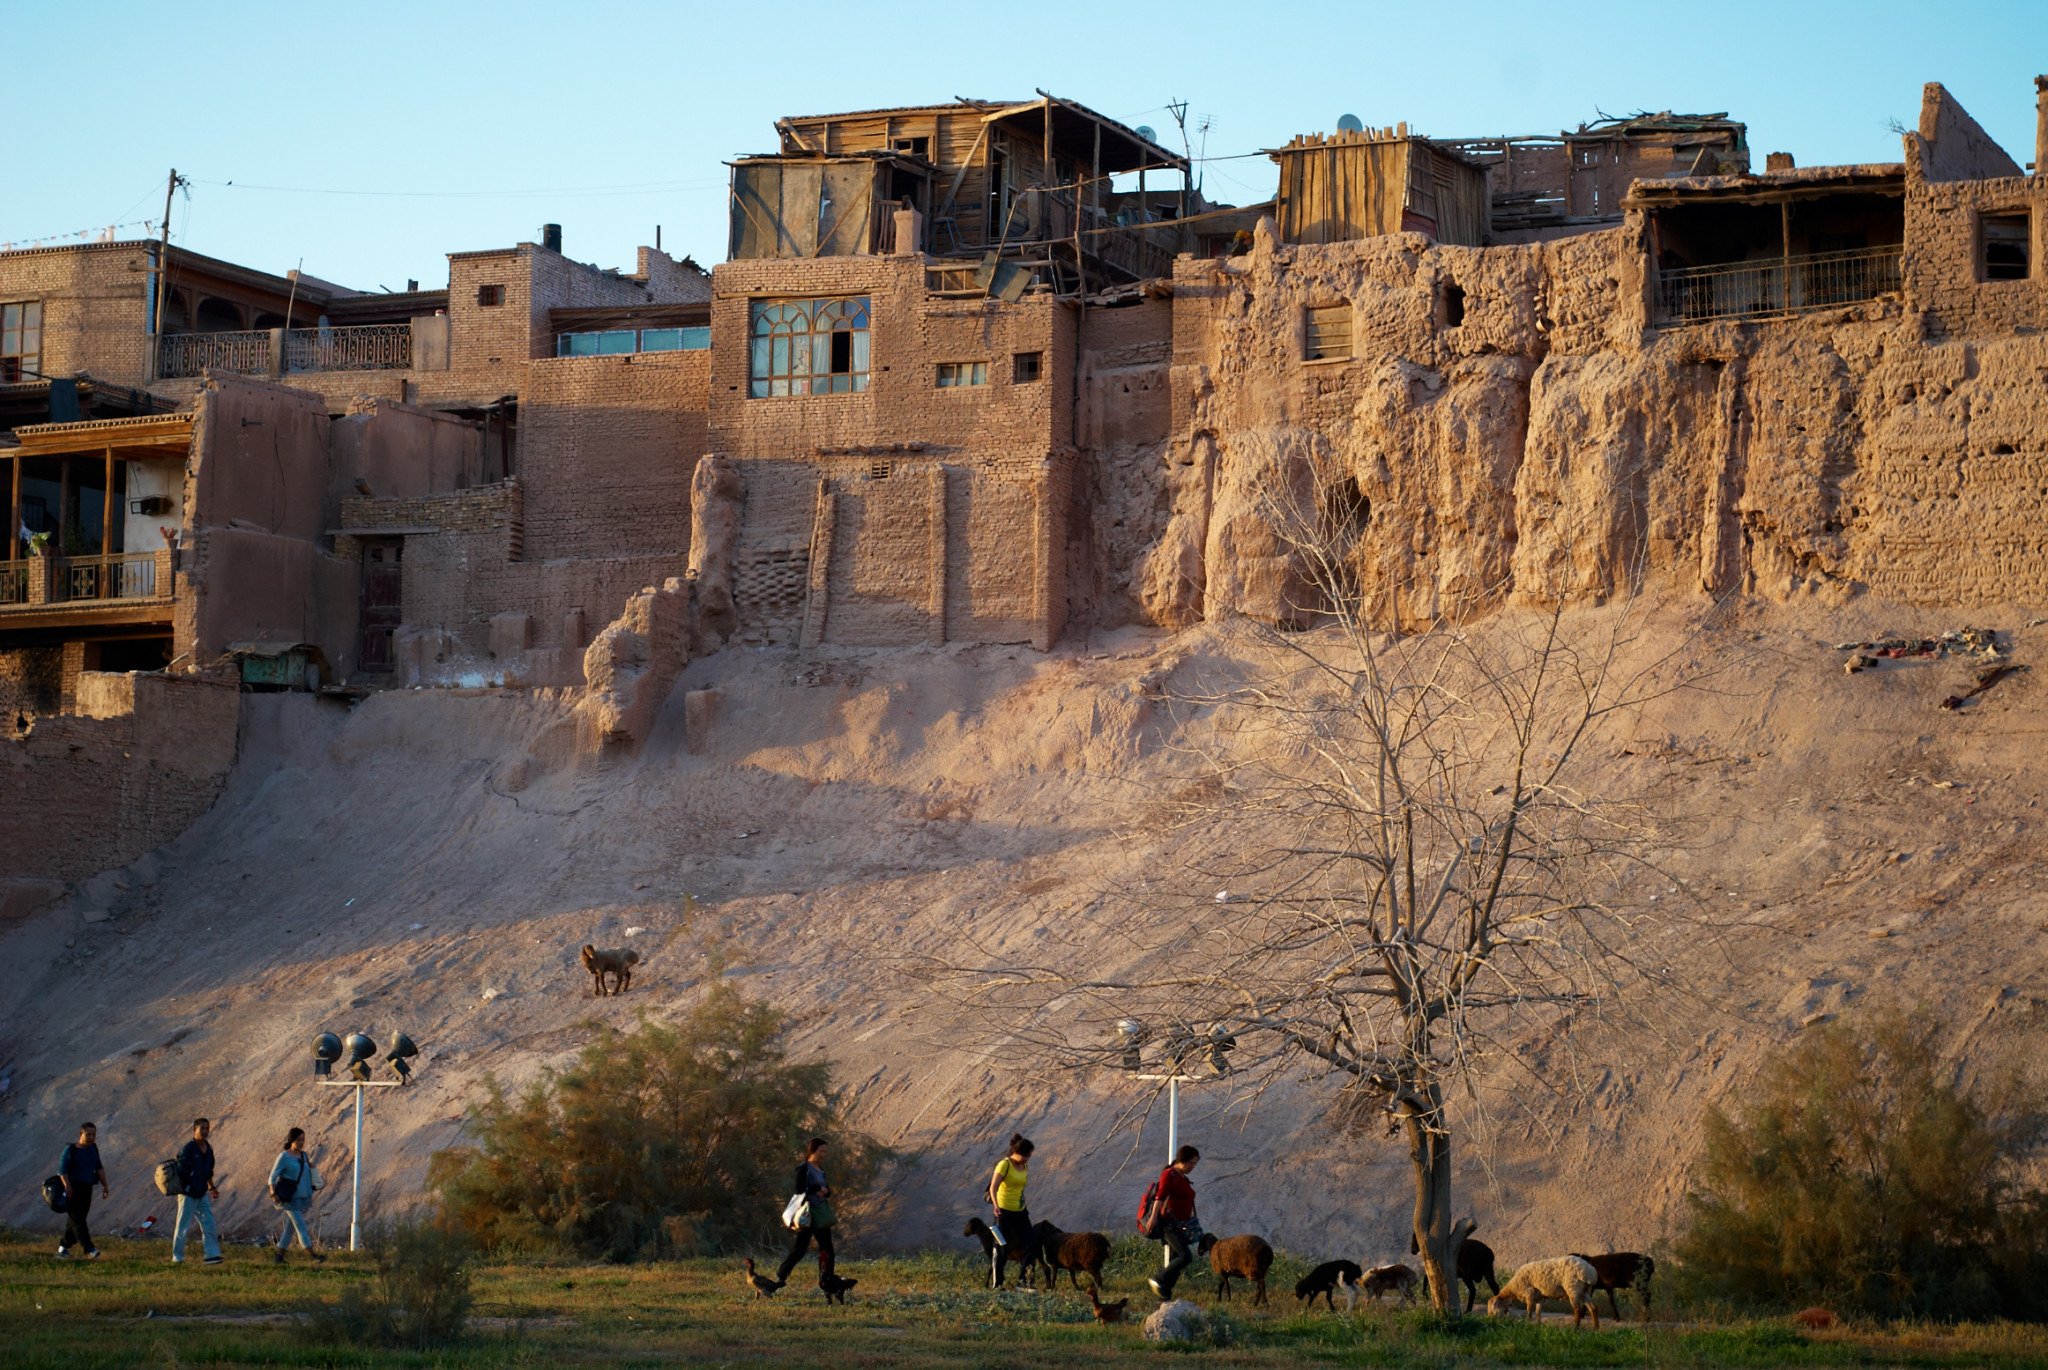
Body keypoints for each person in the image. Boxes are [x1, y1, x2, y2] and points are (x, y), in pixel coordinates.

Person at [774, 1137, 836, 1287]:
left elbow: (827, 1191)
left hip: (820, 1214)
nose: (824, 1155)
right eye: (821, 1151)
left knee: (827, 1249)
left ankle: (826, 1279)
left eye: (825, 1152)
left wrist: (826, 1192)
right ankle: (782, 1273)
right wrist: (816, 1189)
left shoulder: (821, 1171)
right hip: (807, 1215)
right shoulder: (804, 1169)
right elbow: (800, 1189)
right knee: (800, 1248)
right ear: (812, 1151)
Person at [1146, 1144, 1201, 1300]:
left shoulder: (1182, 1177)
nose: (1193, 1166)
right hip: (1170, 1224)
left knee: (1175, 1261)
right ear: (1182, 1159)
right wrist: (1153, 1217)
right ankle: (1158, 1278)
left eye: (1195, 1163)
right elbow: (1160, 1197)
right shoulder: (1169, 1174)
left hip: (1182, 1225)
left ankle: (1164, 1293)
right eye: (1191, 1162)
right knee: (1185, 1257)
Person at [985, 1133, 1038, 1289]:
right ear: (1018, 1153)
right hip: (1003, 1212)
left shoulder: (1024, 1166)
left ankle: (1025, 1282)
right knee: (1001, 1247)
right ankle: (998, 1284)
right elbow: (993, 1187)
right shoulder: (1004, 1165)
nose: (1028, 1159)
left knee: (1032, 1244)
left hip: (1020, 1211)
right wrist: (996, 1205)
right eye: (1027, 1156)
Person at [268, 1127, 326, 1264]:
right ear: (291, 1140)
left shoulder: (304, 1156)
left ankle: (279, 1257)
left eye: (303, 1140)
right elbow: (272, 1177)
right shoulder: (284, 1157)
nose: (301, 1143)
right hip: (289, 1199)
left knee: (289, 1229)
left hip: (302, 1198)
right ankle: (313, 1255)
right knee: (300, 1226)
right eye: (298, 1140)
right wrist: (273, 1194)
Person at [170, 1117, 223, 1265]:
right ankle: (177, 1258)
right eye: (202, 1128)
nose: (205, 1131)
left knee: (209, 1223)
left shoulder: (209, 1149)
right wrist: (187, 1186)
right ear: (194, 1130)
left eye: (207, 1128)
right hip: (188, 1194)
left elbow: (208, 1172)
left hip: (201, 1193)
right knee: (183, 1226)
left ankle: (211, 1255)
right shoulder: (188, 1150)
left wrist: (212, 1187)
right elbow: (181, 1171)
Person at [56, 1121, 108, 1258]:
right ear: (81, 1134)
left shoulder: (93, 1149)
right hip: (73, 1188)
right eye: (88, 1134)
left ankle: (63, 1248)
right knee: (78, 1219)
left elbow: (99, 1167)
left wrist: (105, 1185)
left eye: (94, 1135)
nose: (91, 1137)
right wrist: (67, 1186)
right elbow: (63, 1170)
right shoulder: (71, 1150)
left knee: (76, 1219)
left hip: (87, 1187)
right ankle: (89, 1249)